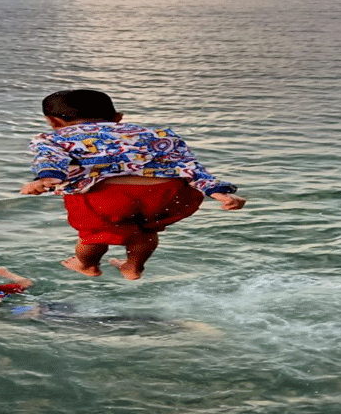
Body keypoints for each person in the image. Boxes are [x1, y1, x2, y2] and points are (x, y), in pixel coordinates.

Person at [20, 89, 246, 280]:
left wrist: (44, 180)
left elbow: (50, 159)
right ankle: (133, 267)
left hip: (107, 198)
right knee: (145, 230)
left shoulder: (52, 137)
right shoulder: (155, 134)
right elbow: (187, 164)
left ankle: (86, 265)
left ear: (53, 122)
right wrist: (219, 192)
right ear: (118, 117)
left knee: (93, 236)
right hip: (163, 194)